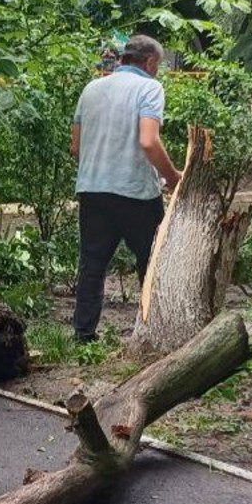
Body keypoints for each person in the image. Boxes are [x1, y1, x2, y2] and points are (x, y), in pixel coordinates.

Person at [70, 34, 182, 343]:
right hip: (136, 194)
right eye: (157, 65)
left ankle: (83, 335)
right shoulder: (149, 87)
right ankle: (151, 332)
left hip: (92, 188)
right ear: (149, 63)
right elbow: (148, 141)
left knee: (92, 264)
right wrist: (173, 177)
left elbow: (76, 148)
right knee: (152, 263)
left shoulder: (92, 88)